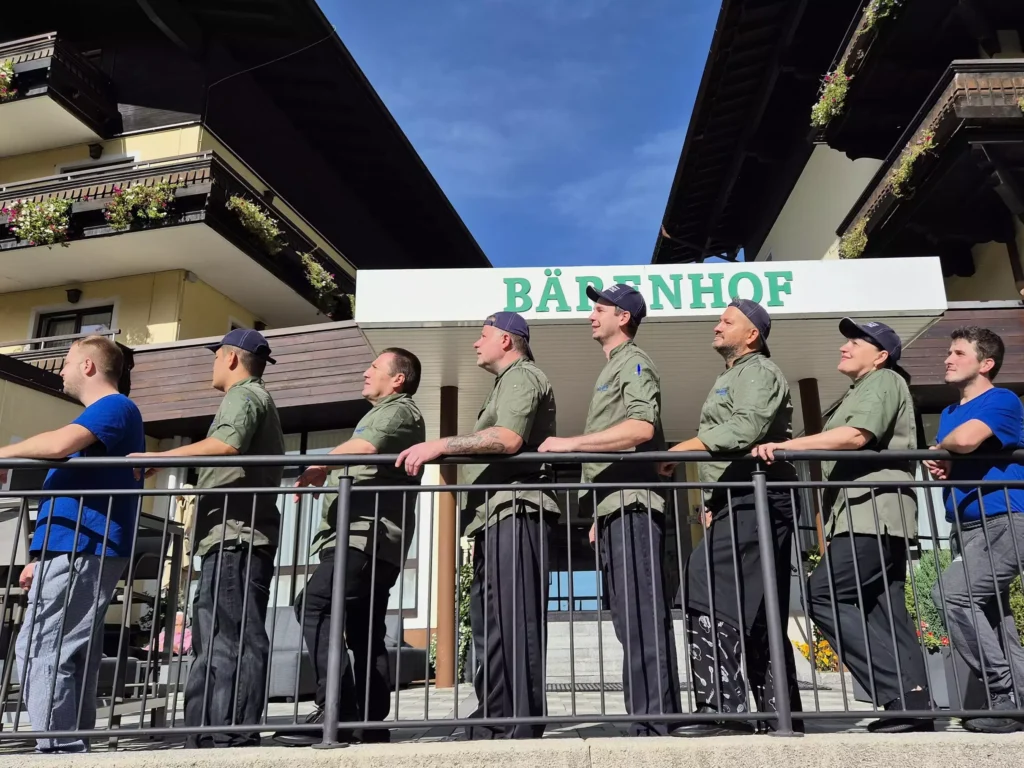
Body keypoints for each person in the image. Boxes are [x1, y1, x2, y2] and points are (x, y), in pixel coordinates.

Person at [754, 319, 932, 732]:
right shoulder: (863, 388)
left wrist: (784, 446)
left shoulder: (884, 381)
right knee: (886, 612)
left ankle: (896, 696)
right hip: (865, 514)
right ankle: (915, 703)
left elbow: (856, 436)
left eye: (855, 342)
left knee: (824, 595)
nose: (844, 348)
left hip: (872, 513)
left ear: (881, 355)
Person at [399, 312, 558, 740]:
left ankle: (517, 723)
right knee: (495, 621)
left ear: (507, 341)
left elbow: (506, 439)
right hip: (498, 515)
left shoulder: (523, 377)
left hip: (519, 510)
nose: (475, 343)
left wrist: (440, 445)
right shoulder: (506, 383)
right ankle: (496, 714)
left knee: (514, 619)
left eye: (483, 336)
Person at [130, 328, 284, 748]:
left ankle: (224, 732)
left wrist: (157, 458)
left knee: (226, 635)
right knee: (225, 633)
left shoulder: (244, 396)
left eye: (216, 356)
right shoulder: (256, 398)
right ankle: (217, 729)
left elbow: (226, 444)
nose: (213, 363)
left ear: (231, 358)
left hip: (235, 538)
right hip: (236, 537)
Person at [539, 284, 680, 737]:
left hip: (634, 504)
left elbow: (641, 427)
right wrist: (600, 514)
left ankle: (654, 720)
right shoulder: (615, 367)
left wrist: (570, 444)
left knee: (639, 611)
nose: (590, 316)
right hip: (617, 507)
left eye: (599, 309)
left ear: (624, 318)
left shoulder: (635, 362)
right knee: (626, 615)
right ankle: (648, 715)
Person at [663, 298, 801, 737]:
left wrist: (679, 451)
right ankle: (782, 714)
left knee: (703, 586)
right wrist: (712, 501)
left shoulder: (759, 372)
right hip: (739, 498)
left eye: (727, 321)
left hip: (759, 495)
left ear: (752, 334)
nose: (717, 325)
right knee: (759, 608)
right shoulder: (734, 375)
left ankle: (725, 709)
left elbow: (744, 430)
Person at [273, 348, 425, 746]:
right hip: (366, 539)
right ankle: (369, 725)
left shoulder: (399, 411)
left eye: (375, 367)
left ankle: (335, 710)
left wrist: (321, 464)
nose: (365, 371)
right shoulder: (380, 414)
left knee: (314, 606)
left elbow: (367, 449)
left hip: (364, 538)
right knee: (363, 630)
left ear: (398, 379)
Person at [0, 336, 144, 753]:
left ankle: (60, 750)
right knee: (69, 652)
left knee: (41, 648)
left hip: (84, 545)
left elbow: (59, 446)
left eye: (66, 362)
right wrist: (39, 559)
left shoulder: (115, 407)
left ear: (88, 367)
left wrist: (3, 454)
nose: (60, 370)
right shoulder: (107, 413)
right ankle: (70, 746)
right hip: (72, 547)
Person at [926, 326, 1024, 734]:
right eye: (949, 352)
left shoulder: (1001, 399)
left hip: (1008, 520)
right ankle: (1017, 697)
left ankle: (1002, 692)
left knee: (952, 594)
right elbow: (948, 456)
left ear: (986, 364)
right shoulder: (949, 411)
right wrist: (941, 460)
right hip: (967, 525)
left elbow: (965, 441)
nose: (948, 359)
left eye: (958, 353)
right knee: (992, 613)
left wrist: (944, 450)